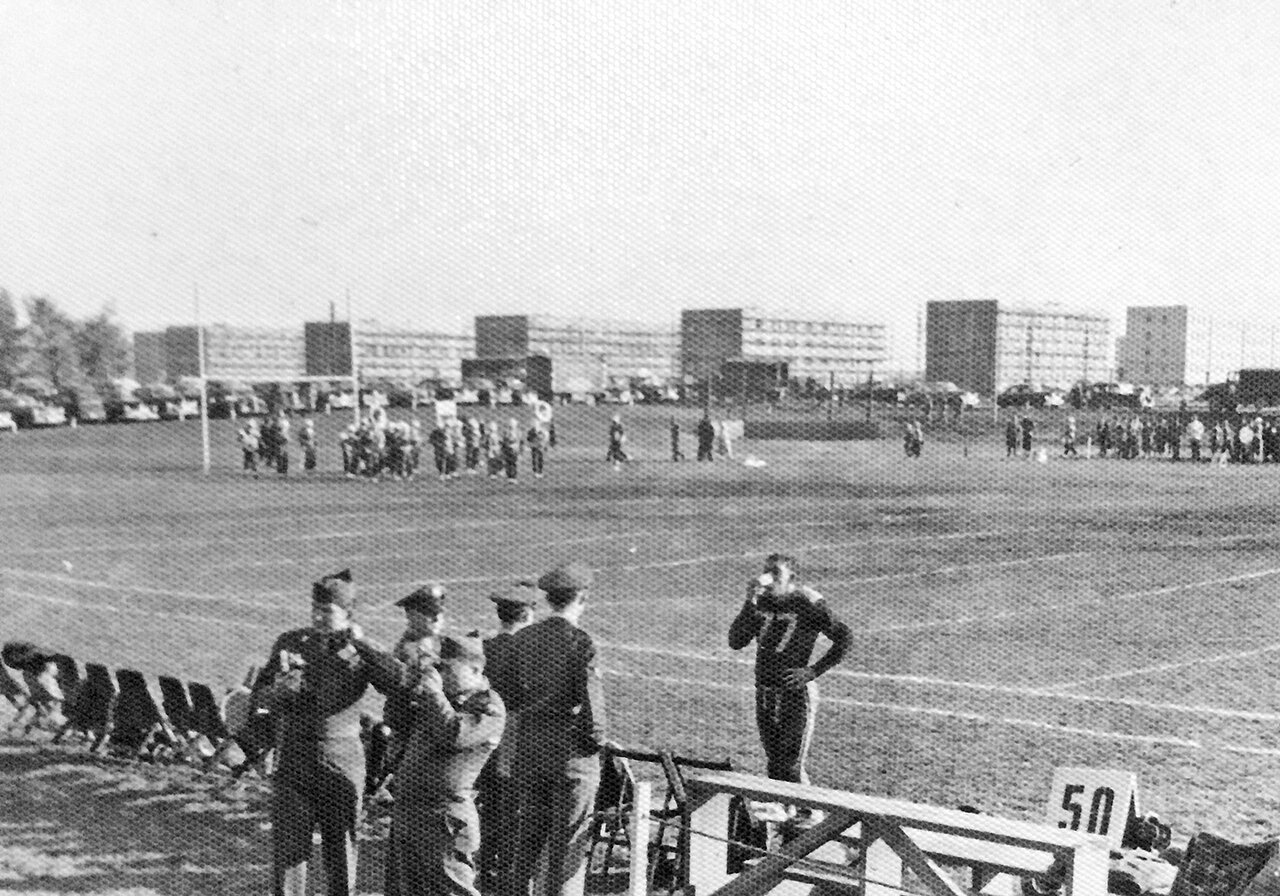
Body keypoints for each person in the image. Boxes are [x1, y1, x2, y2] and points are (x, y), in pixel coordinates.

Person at [251, 569, 401, 896]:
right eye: (314, 609)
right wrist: (276, 694)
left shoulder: (361, 652)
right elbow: (257, 702)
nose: (318, 617)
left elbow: (397, 683)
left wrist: (362, 644)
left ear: (348, 613)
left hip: (341, 759)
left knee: (341, 849)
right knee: (289, 849)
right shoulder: (291, 643)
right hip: (294, 759)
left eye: (327, 611)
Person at [507, 562, 608, 896]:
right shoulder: (580, 642)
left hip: (530, 751)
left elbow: (509, 698)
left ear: (548, 599)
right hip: (570, 756)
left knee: (527, 843)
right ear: (582, 597)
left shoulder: (523, 638)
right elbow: (594, 715)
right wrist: (592, 744)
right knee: (566, 853)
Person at [386, 634, 505, 896]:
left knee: (450, 888)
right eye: (438, 667)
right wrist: (405, 687)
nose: (440, 675)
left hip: (444, 816)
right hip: (410, 810)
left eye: (448, 668)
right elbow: (396, 722)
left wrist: (434, 695)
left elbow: (455, 735)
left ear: (475, 670)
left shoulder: (488, 705)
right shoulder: (441, 698)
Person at [728, 554, 851, 794]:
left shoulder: (808, 602)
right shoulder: (762, 601)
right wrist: (749, 602)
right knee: (775, 764)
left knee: (791, 765)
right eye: (766, 571)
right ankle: (785, 813)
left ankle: (808, 812)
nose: (768, 578)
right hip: (765, 692)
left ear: (791, 577)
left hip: (794, 694)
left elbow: (844, 637)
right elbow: (736, 641)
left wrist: (812, 671)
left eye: (775, 573)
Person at [477, 586, 539, 893]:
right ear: (527, 614)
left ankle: (486, 869)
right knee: (515, 809)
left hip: (484, 736)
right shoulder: (528, 652)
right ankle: (508, 875)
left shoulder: (483, 646)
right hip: (515, 737)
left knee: (489, 806)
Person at [502, 418, 522, 482]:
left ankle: (513, 477)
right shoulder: (506, 432)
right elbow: (505, 440)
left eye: (513, 424)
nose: (511, 426)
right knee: (508, 463)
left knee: (513, 463)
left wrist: (519, 451)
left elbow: (518, 441)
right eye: (510, 424)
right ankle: (509, 476)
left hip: (514, 450)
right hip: (508, 450)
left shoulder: (518, 432)